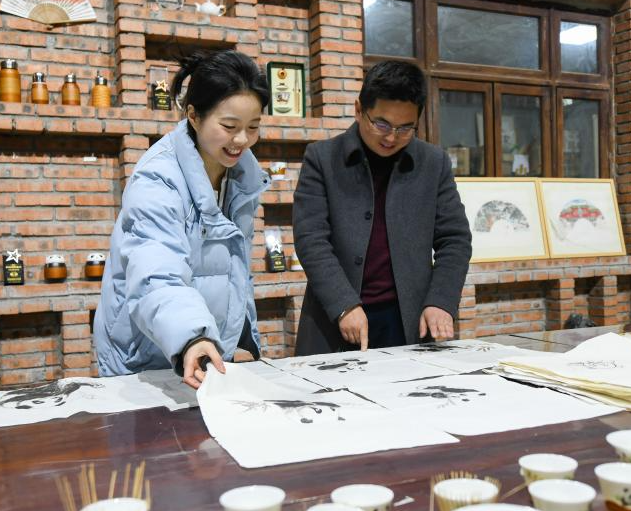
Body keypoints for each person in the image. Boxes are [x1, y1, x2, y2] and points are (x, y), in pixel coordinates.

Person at [94, 51, 270, 388]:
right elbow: (156, 272)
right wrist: (193, 335)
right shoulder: (158, 179)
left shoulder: (242, 175)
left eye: (253, 127)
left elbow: (233, 272)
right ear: (193, 115)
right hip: (147, 353)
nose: (242, 140)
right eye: (229, 126)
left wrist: (239, 337)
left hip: (203, 348)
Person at [292, 60, 471, 355]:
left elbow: (455, 239)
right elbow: (311, 240)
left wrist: (441, 300)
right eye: (382, 124)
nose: (391, 137)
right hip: (337, 316)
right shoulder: (322, 158)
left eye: (405, 128)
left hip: (410, 319)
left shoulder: (433, 163)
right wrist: (343, 304)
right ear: (358, 110)